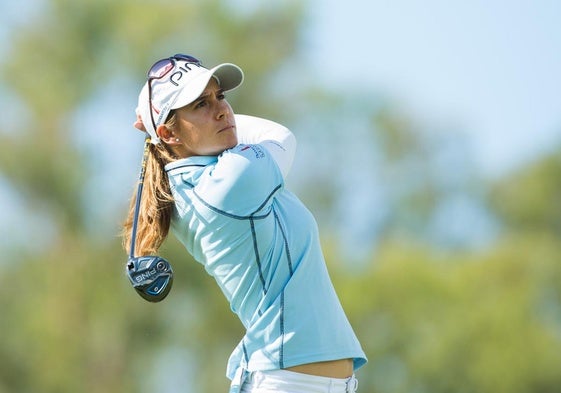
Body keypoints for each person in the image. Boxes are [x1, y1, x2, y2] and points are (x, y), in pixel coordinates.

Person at [122, 53, 367, 393]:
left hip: (302, 380)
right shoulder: (231, 181)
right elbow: (279, 135)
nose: (222, 110)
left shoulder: (197, 181)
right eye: (200, 105)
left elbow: (243, 135)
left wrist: (157, 131)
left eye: (220, 96)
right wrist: (154, 130)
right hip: (287, 383)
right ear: (170, 133)